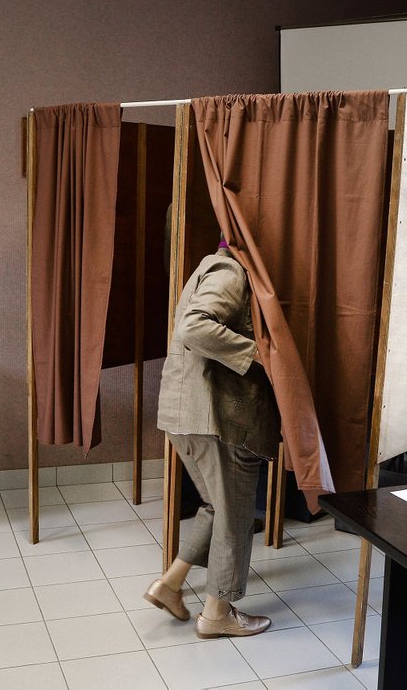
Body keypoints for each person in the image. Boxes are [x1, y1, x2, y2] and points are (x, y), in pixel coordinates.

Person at [143, 240, 279, 638]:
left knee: (217, 507)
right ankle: (218, 613)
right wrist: (259, 353)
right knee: (236, 514)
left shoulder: (211, 266)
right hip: (217, 418)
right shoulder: (231, 271)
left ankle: (169, 584)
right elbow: (195, 327)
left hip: (186, 414)